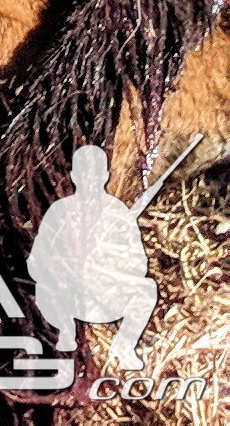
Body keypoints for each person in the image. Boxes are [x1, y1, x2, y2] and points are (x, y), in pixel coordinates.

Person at [25, 142, 155, 370]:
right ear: (74, 176)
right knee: (44, 288)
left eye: (96, 175)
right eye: (85, 175)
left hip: (106, 294)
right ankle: (65, 334)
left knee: (147, 289)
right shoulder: (59, 211)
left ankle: (124, 346)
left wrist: (110, 264)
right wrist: (63, 267)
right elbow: (36, 263)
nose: (91, 181)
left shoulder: (117, 211)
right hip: (66, 296)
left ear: (106, 175)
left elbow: (139, 263)